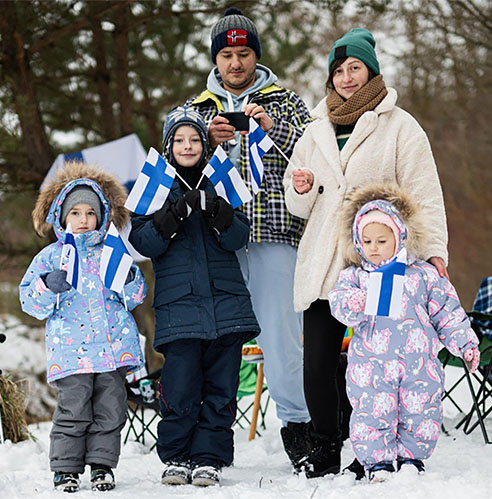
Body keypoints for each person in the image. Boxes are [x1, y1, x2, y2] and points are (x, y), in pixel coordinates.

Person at [283, 28, 450, 478]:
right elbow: (298, 202)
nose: (346, 77)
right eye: (338, 70)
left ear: (371, 71)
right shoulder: (315, 128)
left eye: (354, 67)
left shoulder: (400, 126)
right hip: (324, 261)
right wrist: (298, 189)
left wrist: (433, 251)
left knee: (372, 363)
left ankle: (369, 449)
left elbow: (425, 194)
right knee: (317, 359)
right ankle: (323, 447)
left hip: (378, 263)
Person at [187, 7, 313, 471]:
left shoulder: (285, 101)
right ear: (216, 60)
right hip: (216, 241)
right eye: (227, 55)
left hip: (274, 233)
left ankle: (300, 429)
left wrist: (271, 128)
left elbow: (312, 152)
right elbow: (173, 166)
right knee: (215, 338)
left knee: (280, 336)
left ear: (255, 56)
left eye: (243, 53)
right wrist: (207, 141)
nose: (235, 63)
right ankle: (207, 438)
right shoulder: (196, 109)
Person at [128, 106, 260, 487]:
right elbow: (142, 242)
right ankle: (177, 455)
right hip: (179, 309)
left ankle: (209, 457)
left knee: (221, 389)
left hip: (226, 306)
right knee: (180, 387)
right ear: (169, 147)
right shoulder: (155, 186)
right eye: (179, 140)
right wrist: (169, 218)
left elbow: (239, 237)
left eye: (195, 139)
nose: (188, 146)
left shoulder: (219, 180)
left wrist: (220, 212)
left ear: (205, 144)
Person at [328, 182, 480, 482]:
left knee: (420, 410)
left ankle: (412, 458)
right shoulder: (356, 277)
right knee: (372, 412)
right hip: (372, 366)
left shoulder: (422, 275)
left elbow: (447, 312)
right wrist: (354, 303)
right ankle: (378, 463)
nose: (374, 247)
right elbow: (339, 306)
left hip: (418, 363)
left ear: (399, 237)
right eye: (367, 241)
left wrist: (465, 344)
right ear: (358, 243)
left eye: (382, 241)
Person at [19, 162, 147, 493]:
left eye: (90, 212)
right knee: (73, 410)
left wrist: (131, 278)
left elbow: (135, 297)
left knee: (111, 409)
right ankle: (65, 468)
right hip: (71, 351)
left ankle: (102, 466)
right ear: (62, 216)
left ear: (102, 215)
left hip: (112, 349)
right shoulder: (51, 257)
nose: (83, 219)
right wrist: (48, 286)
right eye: (75, 212)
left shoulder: (113, 252)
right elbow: (31, 303)